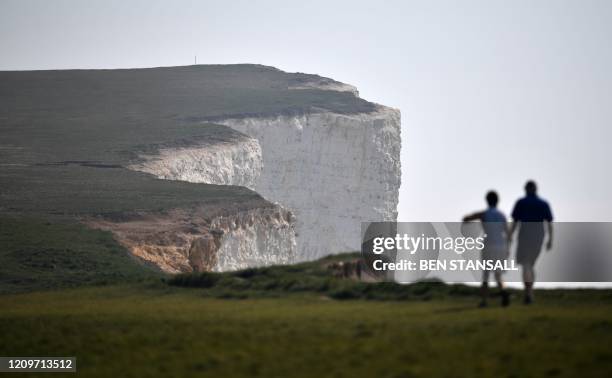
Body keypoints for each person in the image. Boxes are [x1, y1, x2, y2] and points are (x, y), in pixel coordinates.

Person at [508, 180, 553, 304]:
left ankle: (528, 293)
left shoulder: (521, 202)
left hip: (525, 235)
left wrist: (510, 236)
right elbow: (549, 223)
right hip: (539, 235)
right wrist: (550, 240)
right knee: (531, 264)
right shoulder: (543, 204)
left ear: (526, 189)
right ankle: (530, 292)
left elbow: (515, 221)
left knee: (526, 264)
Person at [463, 190, 511, 307]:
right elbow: (508, 233)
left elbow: (467, 219)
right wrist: (507, 249)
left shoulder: (484, 214)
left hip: (489, 244)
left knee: (486, 275)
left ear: (487, 201)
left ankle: (484, 301)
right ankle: (504, 292)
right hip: (501, 245)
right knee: (498, 274)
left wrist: (469, 220)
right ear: (497, 201)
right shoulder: (502, 215)